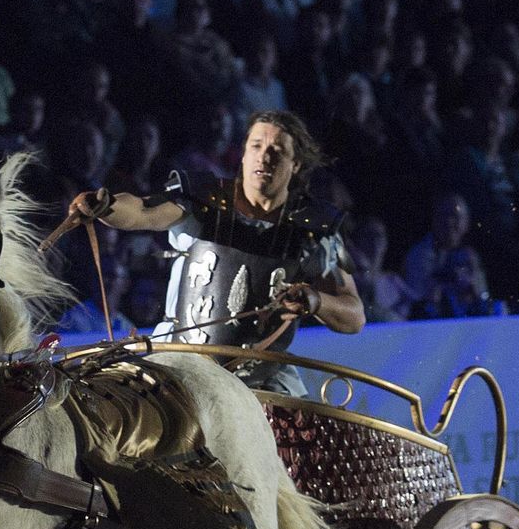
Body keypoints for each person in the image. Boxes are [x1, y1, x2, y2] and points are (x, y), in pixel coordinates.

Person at [72, 110, 364, 396]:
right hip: (177, 361)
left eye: (277, 150)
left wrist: (315, 300)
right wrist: (106, 205)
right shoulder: (203, 198)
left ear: (296, 163)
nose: (265, 156)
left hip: (260, 382)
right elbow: (141, 211)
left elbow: (354, 316)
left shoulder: (314, 229)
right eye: (257, 146)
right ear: (244, 154)